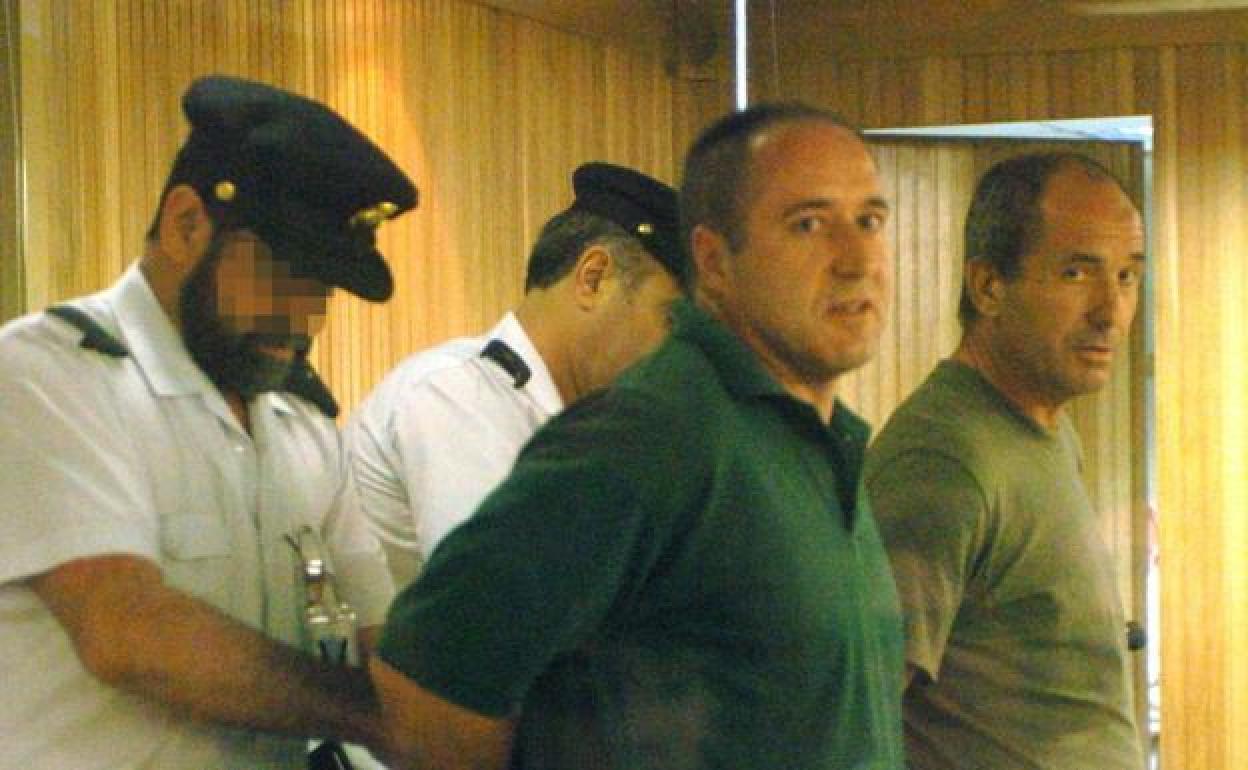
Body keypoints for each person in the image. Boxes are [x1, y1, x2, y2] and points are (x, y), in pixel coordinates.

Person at [370, 102, 906, 770]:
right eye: (808, 224)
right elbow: (426, 694)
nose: (857, 260)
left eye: (870, 220)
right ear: (714, 261)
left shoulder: (812, 437)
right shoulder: (652, 437)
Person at [0, 75, 416, 768]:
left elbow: (385, 632)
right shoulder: (45, 376)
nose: (305, 318)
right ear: (187, 223)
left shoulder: (302, 423)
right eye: (282, 274)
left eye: (321, 288)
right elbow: (128, 631)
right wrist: (377, 716)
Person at [863, 152, 1147, 769]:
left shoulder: (1045, 431)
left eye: (1127, 276)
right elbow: (855, 713)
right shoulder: (941, 459)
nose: (1110, 311)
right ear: (989, 286)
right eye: (1077, 273)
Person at [348, 163, 684, 587]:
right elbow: (502, 596)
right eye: (672, 321)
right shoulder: (455, 395)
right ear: (593, 279)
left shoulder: (585, 427)